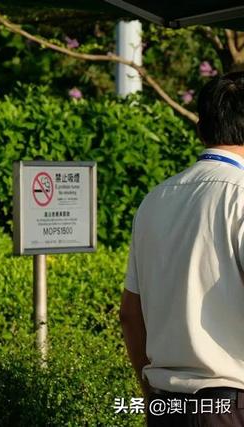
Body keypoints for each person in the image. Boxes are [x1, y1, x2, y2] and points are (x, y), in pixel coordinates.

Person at [121, 71, 244, 426]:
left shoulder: (155, 199)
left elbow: (130, 314)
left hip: (166, 407)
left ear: (200, 129)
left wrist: (151, 397)